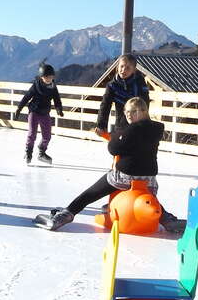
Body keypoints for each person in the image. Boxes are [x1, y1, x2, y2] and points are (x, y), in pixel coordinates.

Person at [39, 97, 165, 231]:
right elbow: (133, 141)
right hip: (149, 182)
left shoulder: (132, 129)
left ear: (144, 111)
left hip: (124, 177)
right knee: (152, 201)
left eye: (133, 111)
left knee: (90, 194)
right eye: (126, 111)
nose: (128, 115)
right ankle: (168, 220)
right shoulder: (158, 128)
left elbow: (114, 148)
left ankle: (66, 214)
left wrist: (119, 134)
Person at [14, 64, 63, 165]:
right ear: (42, 77)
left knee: (47, 136)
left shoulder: (53, 87)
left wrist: (59, 109)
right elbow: (27, 97)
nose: (49, 79)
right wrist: (19, 108)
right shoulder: (36, 85)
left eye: (51, 77)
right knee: (32, 134)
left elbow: (57, 99)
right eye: (47, 77)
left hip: (45, 113)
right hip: (34, 112)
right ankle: (28, 152)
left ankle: (41, 152)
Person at [95, 54, 149, 135]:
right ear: (117, 67)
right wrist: (101, 125)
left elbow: (145, 102)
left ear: (134, 70)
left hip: (139, 123)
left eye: (128, 68)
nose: (123, 70)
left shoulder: (139, 82)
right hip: (121, 125)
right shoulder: (112, 85)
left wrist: (143, 121)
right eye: (122, 66)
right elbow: (105, 105)